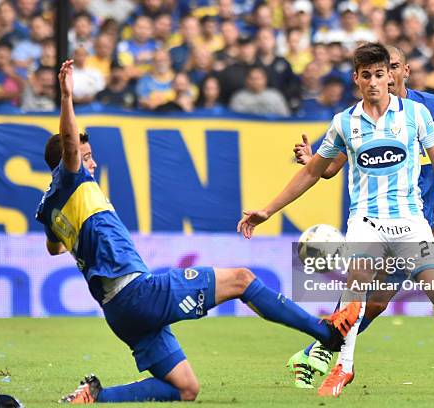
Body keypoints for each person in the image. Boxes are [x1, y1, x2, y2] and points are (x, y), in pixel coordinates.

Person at [39, 60, 359, 404]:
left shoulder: (50, 208)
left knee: (185, 388)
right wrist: (67, 96)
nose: (92, 163)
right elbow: (70, 145)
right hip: (137, 293)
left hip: (117, 312)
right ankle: (324, 333)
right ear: (68, 161)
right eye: (86, 157)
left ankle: (97, 398)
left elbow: (55, 249)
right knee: (242, 279)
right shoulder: (72, 179)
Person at [239, 43, 434, 397]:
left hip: (413, 220)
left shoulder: (424, 112)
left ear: (400, 72)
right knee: (360, 285)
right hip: (366, 220)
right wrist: (268, 209)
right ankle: (342, 367)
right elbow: (320, 172)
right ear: (358, 79)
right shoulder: (345, 122)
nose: (379, 79)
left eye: (386, 71)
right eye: (371, 74)